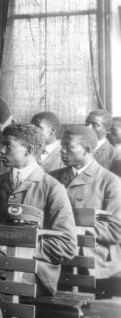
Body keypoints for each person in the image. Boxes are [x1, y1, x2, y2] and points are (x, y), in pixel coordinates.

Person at [0, 123, 77, 318]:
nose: (1, 150)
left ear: (29, 150)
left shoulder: (51, 188)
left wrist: (18, 249)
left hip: (36, 273)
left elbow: (67, 245)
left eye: (8, 146)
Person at [50, 126, 121, 300]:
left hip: (94, 266)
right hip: (57, 261)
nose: (62, 151)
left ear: (88, 150)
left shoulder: (110, 182)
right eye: (62, 146)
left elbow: (116, 230)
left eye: (68, 146)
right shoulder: (52, 178)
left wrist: (79, 230)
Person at [86, 109, 121, 177]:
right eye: (87, 123)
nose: (88, 127)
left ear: (107, 130)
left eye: (95, 125)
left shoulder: (115, 156)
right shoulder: (75, 147)